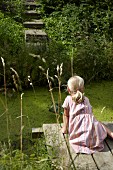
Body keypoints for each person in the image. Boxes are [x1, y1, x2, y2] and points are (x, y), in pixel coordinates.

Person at [61, 75, 113, 154]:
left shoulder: (68, 99)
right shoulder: (86, 99)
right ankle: (111, 134)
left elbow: (66, 115)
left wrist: (64, 129)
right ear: (83, 89)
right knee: (101, 124)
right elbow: (90, 115)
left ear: (68, 89)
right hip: (92, 135)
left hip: (77, 137)